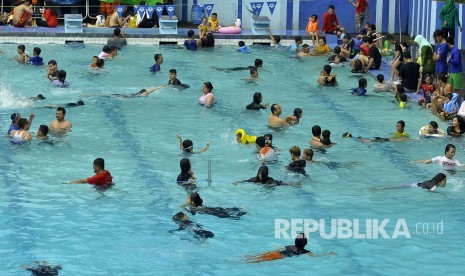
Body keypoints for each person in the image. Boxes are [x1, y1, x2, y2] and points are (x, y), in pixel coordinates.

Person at [245, 233, 336, 263]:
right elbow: (316, 257)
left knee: (255, 257)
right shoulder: (306, 251)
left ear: (295, 241)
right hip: (278, 257)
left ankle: (247, 257)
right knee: (256, 261)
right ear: (306, 244)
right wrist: (328, 254)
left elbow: (278, 248)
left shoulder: (289, 245)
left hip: (274, 253)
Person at [233, 166, 300, 187]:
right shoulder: (255, 179)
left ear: (266, 174)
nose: (260, 175)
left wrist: (271, 185)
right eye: (259, 173)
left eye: (262, 174)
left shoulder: (269, 179)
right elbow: (246, 180)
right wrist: (237, 182)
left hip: (276, 182)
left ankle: (294, 184)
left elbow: (275, 184)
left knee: (282, 183)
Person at [371, 173, 447, 192]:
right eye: (445, 181)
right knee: (392, 188)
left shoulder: (431, 182)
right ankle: (377, 189)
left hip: (411, 184)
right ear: (441, 181)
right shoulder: (434, 187)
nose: (445, 183)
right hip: (410, 187)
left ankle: (377, 188)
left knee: (393, 187)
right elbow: (430, 192)